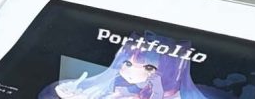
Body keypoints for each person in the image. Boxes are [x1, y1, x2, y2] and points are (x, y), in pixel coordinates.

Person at [39, 32, 211, 99]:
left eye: (148, 67)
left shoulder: (170, 94)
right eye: (127, 63)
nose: (131, 71)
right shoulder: (127, 86)